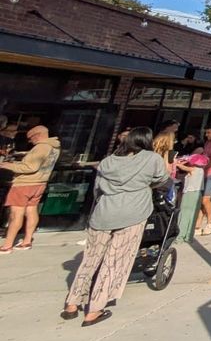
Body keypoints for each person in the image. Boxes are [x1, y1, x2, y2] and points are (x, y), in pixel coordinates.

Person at [62, 127, 169, 326]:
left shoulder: (108, 161)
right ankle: (95, 308)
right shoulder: (152, 159)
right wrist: (144, 186)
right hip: (133, 213)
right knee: (116, 261)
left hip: (103, 213)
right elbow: (163, 178)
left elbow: (97, 190)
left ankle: (72, 302)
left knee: (90, 259)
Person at [0, 125, 61, 253]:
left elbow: (30, 167)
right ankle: (27, 241)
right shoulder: (54, 147)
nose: (30, 141)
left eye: (30, 138)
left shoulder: (41, 147)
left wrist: (7, 165)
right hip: (40, 183)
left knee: (16, 214)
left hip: (24, 184)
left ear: (37, 136)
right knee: (31, 210)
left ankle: (7, 245)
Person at [173, 149, 207, 243]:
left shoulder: (193, 169)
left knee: (184, 214)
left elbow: (180, 166)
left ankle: (180, 236)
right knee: (193, 215)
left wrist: (182, 161)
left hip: (190, 193)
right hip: (198, 194)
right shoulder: (201, 170)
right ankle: (189, 236)